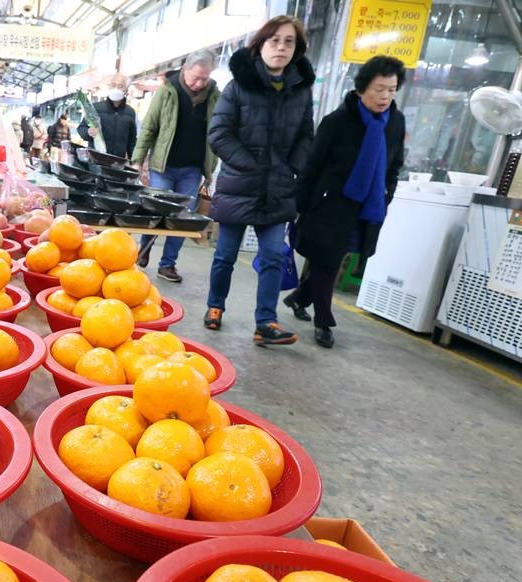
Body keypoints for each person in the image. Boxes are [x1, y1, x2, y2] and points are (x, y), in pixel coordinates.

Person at [204, 15, 315, 346]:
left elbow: (306, 136)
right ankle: (214, 306)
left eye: (289, 42)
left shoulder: (300, 90)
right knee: (225, 256)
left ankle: (265, 322)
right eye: (274, 40)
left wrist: (291, 168)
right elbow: (219, 134)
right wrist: (250, 165)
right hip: (240, 185)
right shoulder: (238, 86)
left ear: (297, 49)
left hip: (278, 189)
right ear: (260, 44)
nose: (281, 47)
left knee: (273, 258)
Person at [284, 55, 407, 348]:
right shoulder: (337, 122)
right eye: (380, 89)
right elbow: (312, 165)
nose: (386, 96)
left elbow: (395, 164)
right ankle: (323, 322)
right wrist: (299, 205)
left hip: (368, 206)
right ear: (362, 88)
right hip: (330, 205)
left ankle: (299, 297)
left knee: (337, 258)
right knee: (327, 260)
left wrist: (387, 194)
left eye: (391, 90)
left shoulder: (395, 122)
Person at [131, 50, 221, 283]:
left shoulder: (214, 95)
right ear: (185, 70)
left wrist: (210, 169)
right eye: (195, 78)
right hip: (163, 166)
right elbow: (150, 127)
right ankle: (144, 250)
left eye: (204, 78)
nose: (199, 83)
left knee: (183, 218)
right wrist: (137, 160)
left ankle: (168, 264)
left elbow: (217, 133)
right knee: (155, 212)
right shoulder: (168, 91)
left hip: (192, 169)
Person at [77, 89, 137, 159]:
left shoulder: (130, 112)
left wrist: (134, 160)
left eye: (120, 86)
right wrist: (88, 132)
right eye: (114, 85)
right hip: (96, 156)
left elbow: (132, 140)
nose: (117, 88)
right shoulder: (96, 108)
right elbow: (81, 128)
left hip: (117, 159)